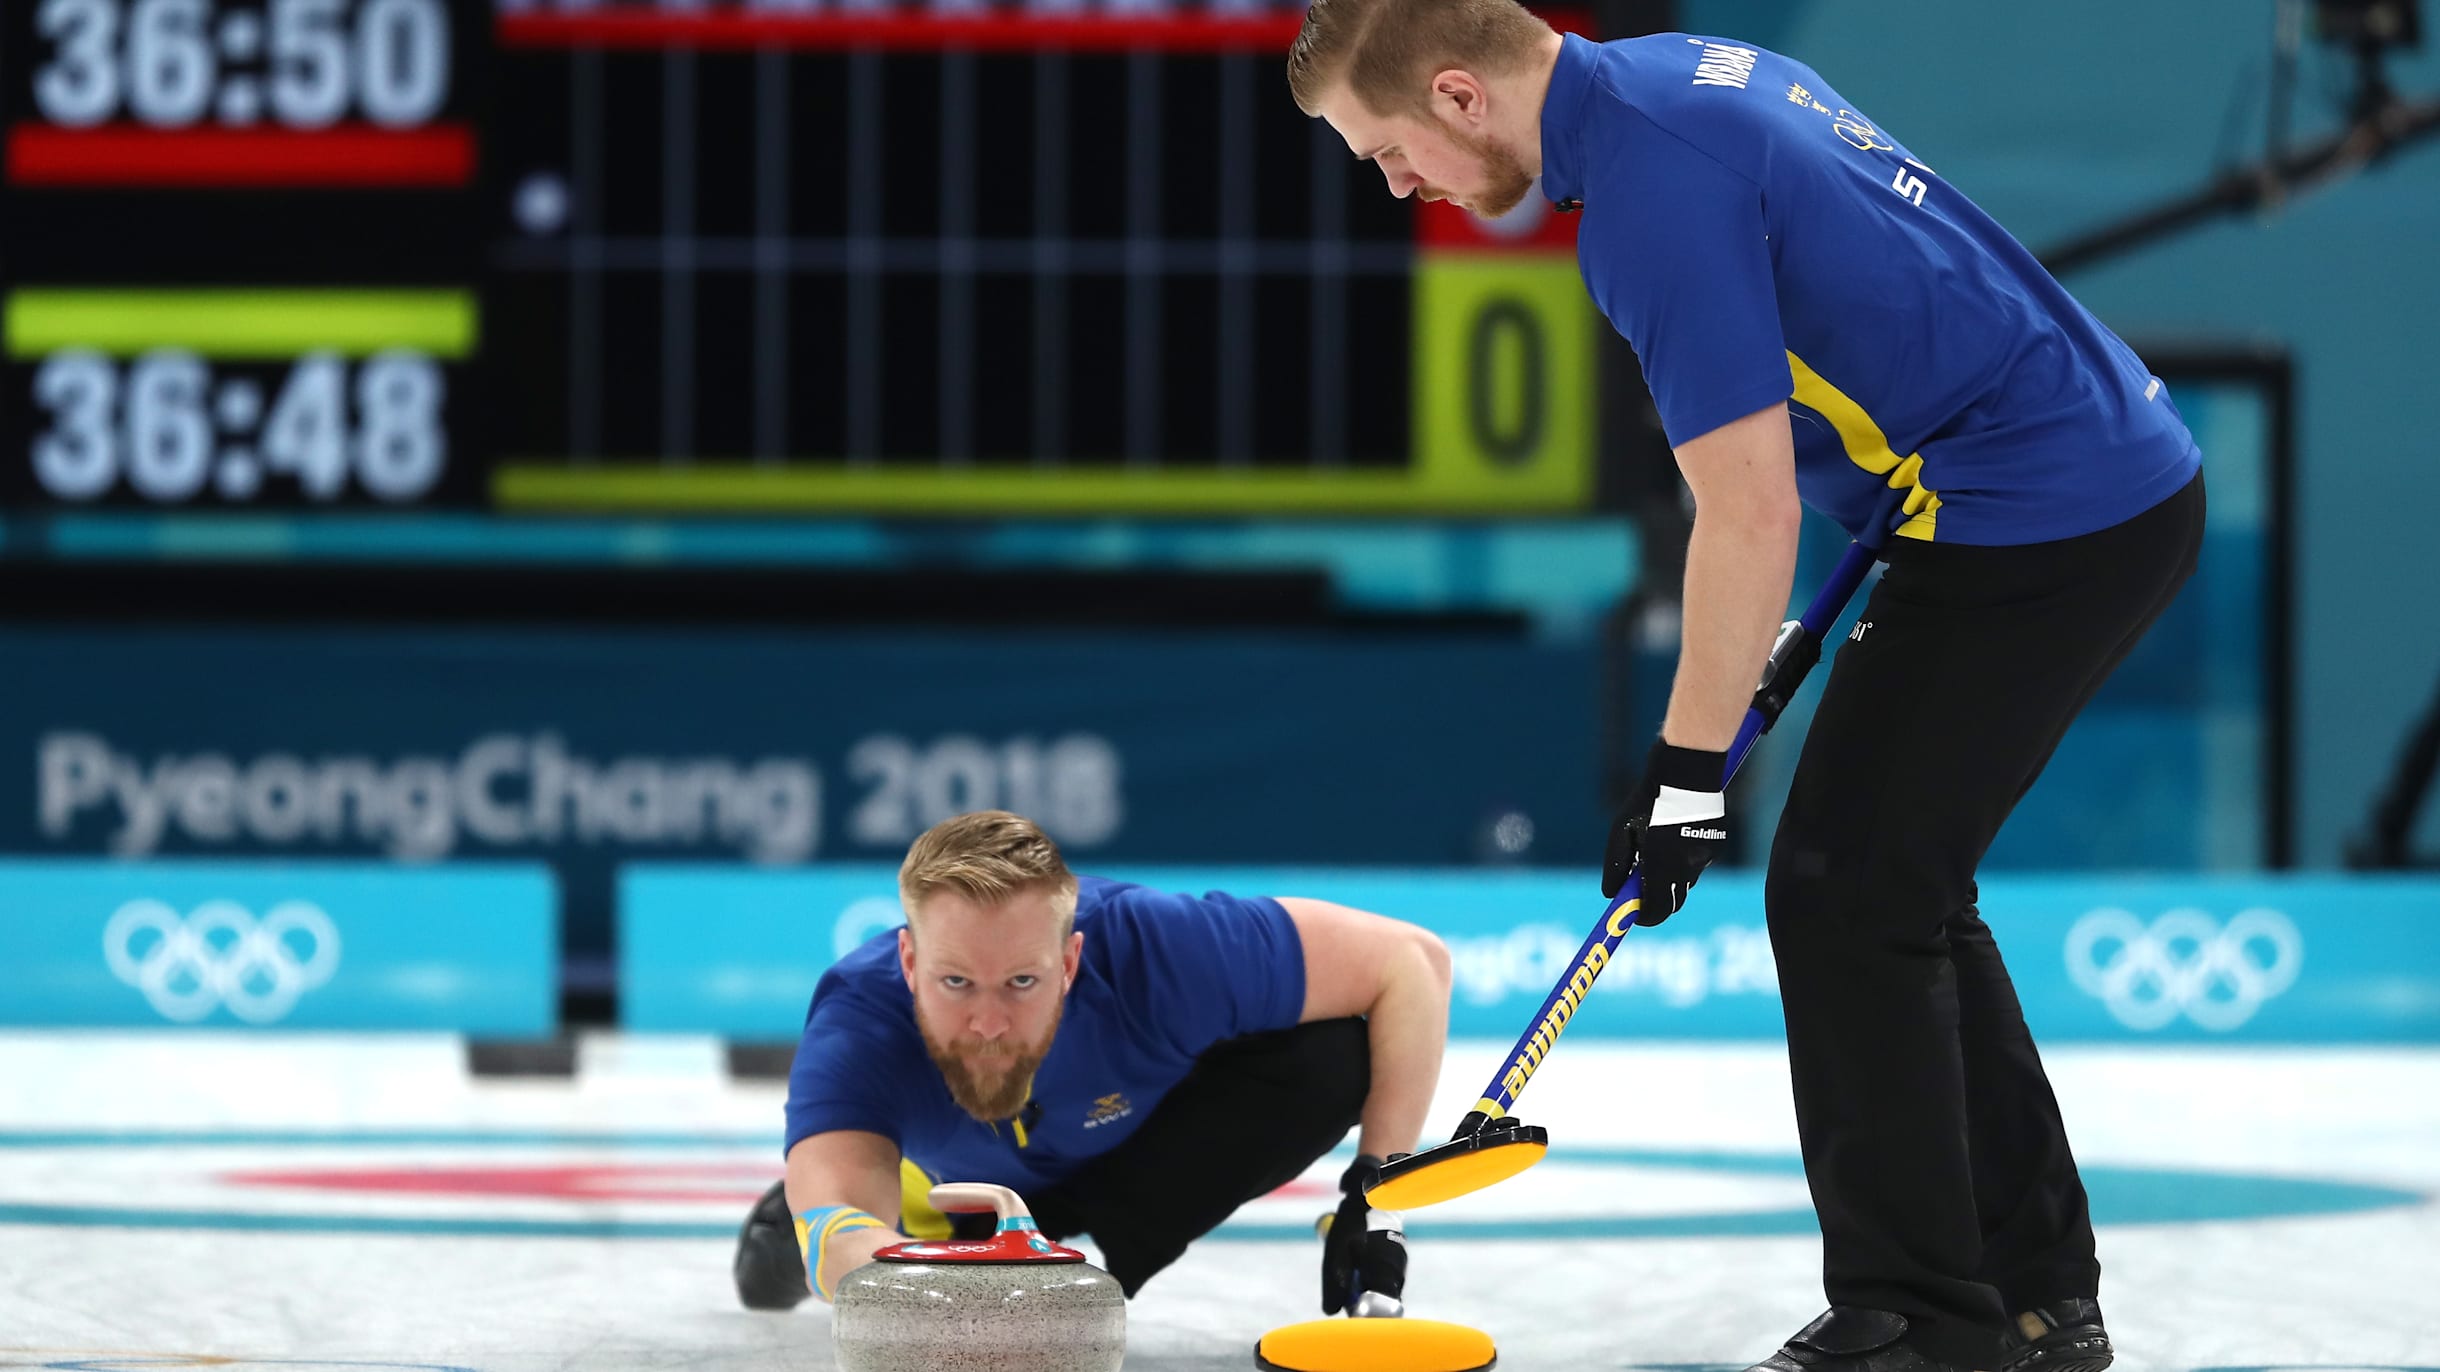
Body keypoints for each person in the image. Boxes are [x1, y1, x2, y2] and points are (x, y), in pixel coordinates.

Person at [1289, 8, 2201, 1372]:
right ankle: (2031, 1298)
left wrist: (1684, 776)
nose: (1397, 184)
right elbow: (1874, 320)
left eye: (1387, 149)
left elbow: (1749, 507)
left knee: (1843, 891)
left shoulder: (1647, 200)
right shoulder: (1682, 74)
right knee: (1894, 889)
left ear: (1462, 95)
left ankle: (1923, 1321)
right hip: (2059, 477)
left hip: (2035, 507)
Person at [731, 809, 1453, 1320]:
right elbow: (839, 1229)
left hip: (1136, 1152)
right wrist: (906, 1278)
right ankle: (930, 1216)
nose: (988, 1023)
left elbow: (1412, 963)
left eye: (1022, 982)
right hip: (964, 1195)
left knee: (1332, 1058)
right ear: (909, 961)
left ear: (1070, 961)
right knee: (793, 1249)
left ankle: (1096, 1254)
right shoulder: (859, 1023)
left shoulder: (1155, 948)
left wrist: (1377, 1196)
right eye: (956, 983)